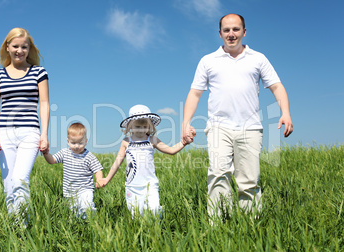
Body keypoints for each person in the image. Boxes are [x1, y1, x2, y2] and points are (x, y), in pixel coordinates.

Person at [182, 14, 293, 222]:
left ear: (244, 31)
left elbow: (277, 86)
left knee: (249, 180)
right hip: (218, 127)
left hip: (250, 128)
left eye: (235, 29)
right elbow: (195, 93)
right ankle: (219, 225)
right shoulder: (208, 61)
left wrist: (285, 113)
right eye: (226, 30)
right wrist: (185, 123)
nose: (231, 34)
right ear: (220, 33)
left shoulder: (258, 59)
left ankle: (251, 226)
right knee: (217, 175)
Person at [0, 28, 50, 219]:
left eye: (24, 47)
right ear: (7, 47)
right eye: (15, 46)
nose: (19, 50)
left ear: (29, 49)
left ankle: (23, 227)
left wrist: (44, 134)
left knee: (20, 179)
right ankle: (13, 226)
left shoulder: (38, 72)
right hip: (4, 133)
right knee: (8, 182)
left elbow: (45, 103)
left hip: (30, 132)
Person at [96, 104, 194, 218]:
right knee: (136, 215)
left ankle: (157, 220)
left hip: (150, 184)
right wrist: (106, 179)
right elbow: (117, 163)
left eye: (144, 127)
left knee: (153, 210)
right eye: (137, 126)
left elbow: (171, 150)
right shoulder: (126, 142)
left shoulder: (152, 140)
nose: (141, 130)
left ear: (149, 126)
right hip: (132, 186)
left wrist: (184, 143)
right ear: (130, 126)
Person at [43, 123, 103, 219]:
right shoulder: (64, 153)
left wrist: (99, 180)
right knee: (75, 214)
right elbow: (52, 161)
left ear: (86, 141)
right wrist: (46, 154)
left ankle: (93, 220)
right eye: (73, 143)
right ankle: (82, 227)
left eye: (80, 143)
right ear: (68, 141)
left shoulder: (89, 156)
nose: (76, 146)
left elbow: (98, 169)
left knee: (86, 206)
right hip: (69, 192)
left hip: (85, 189)